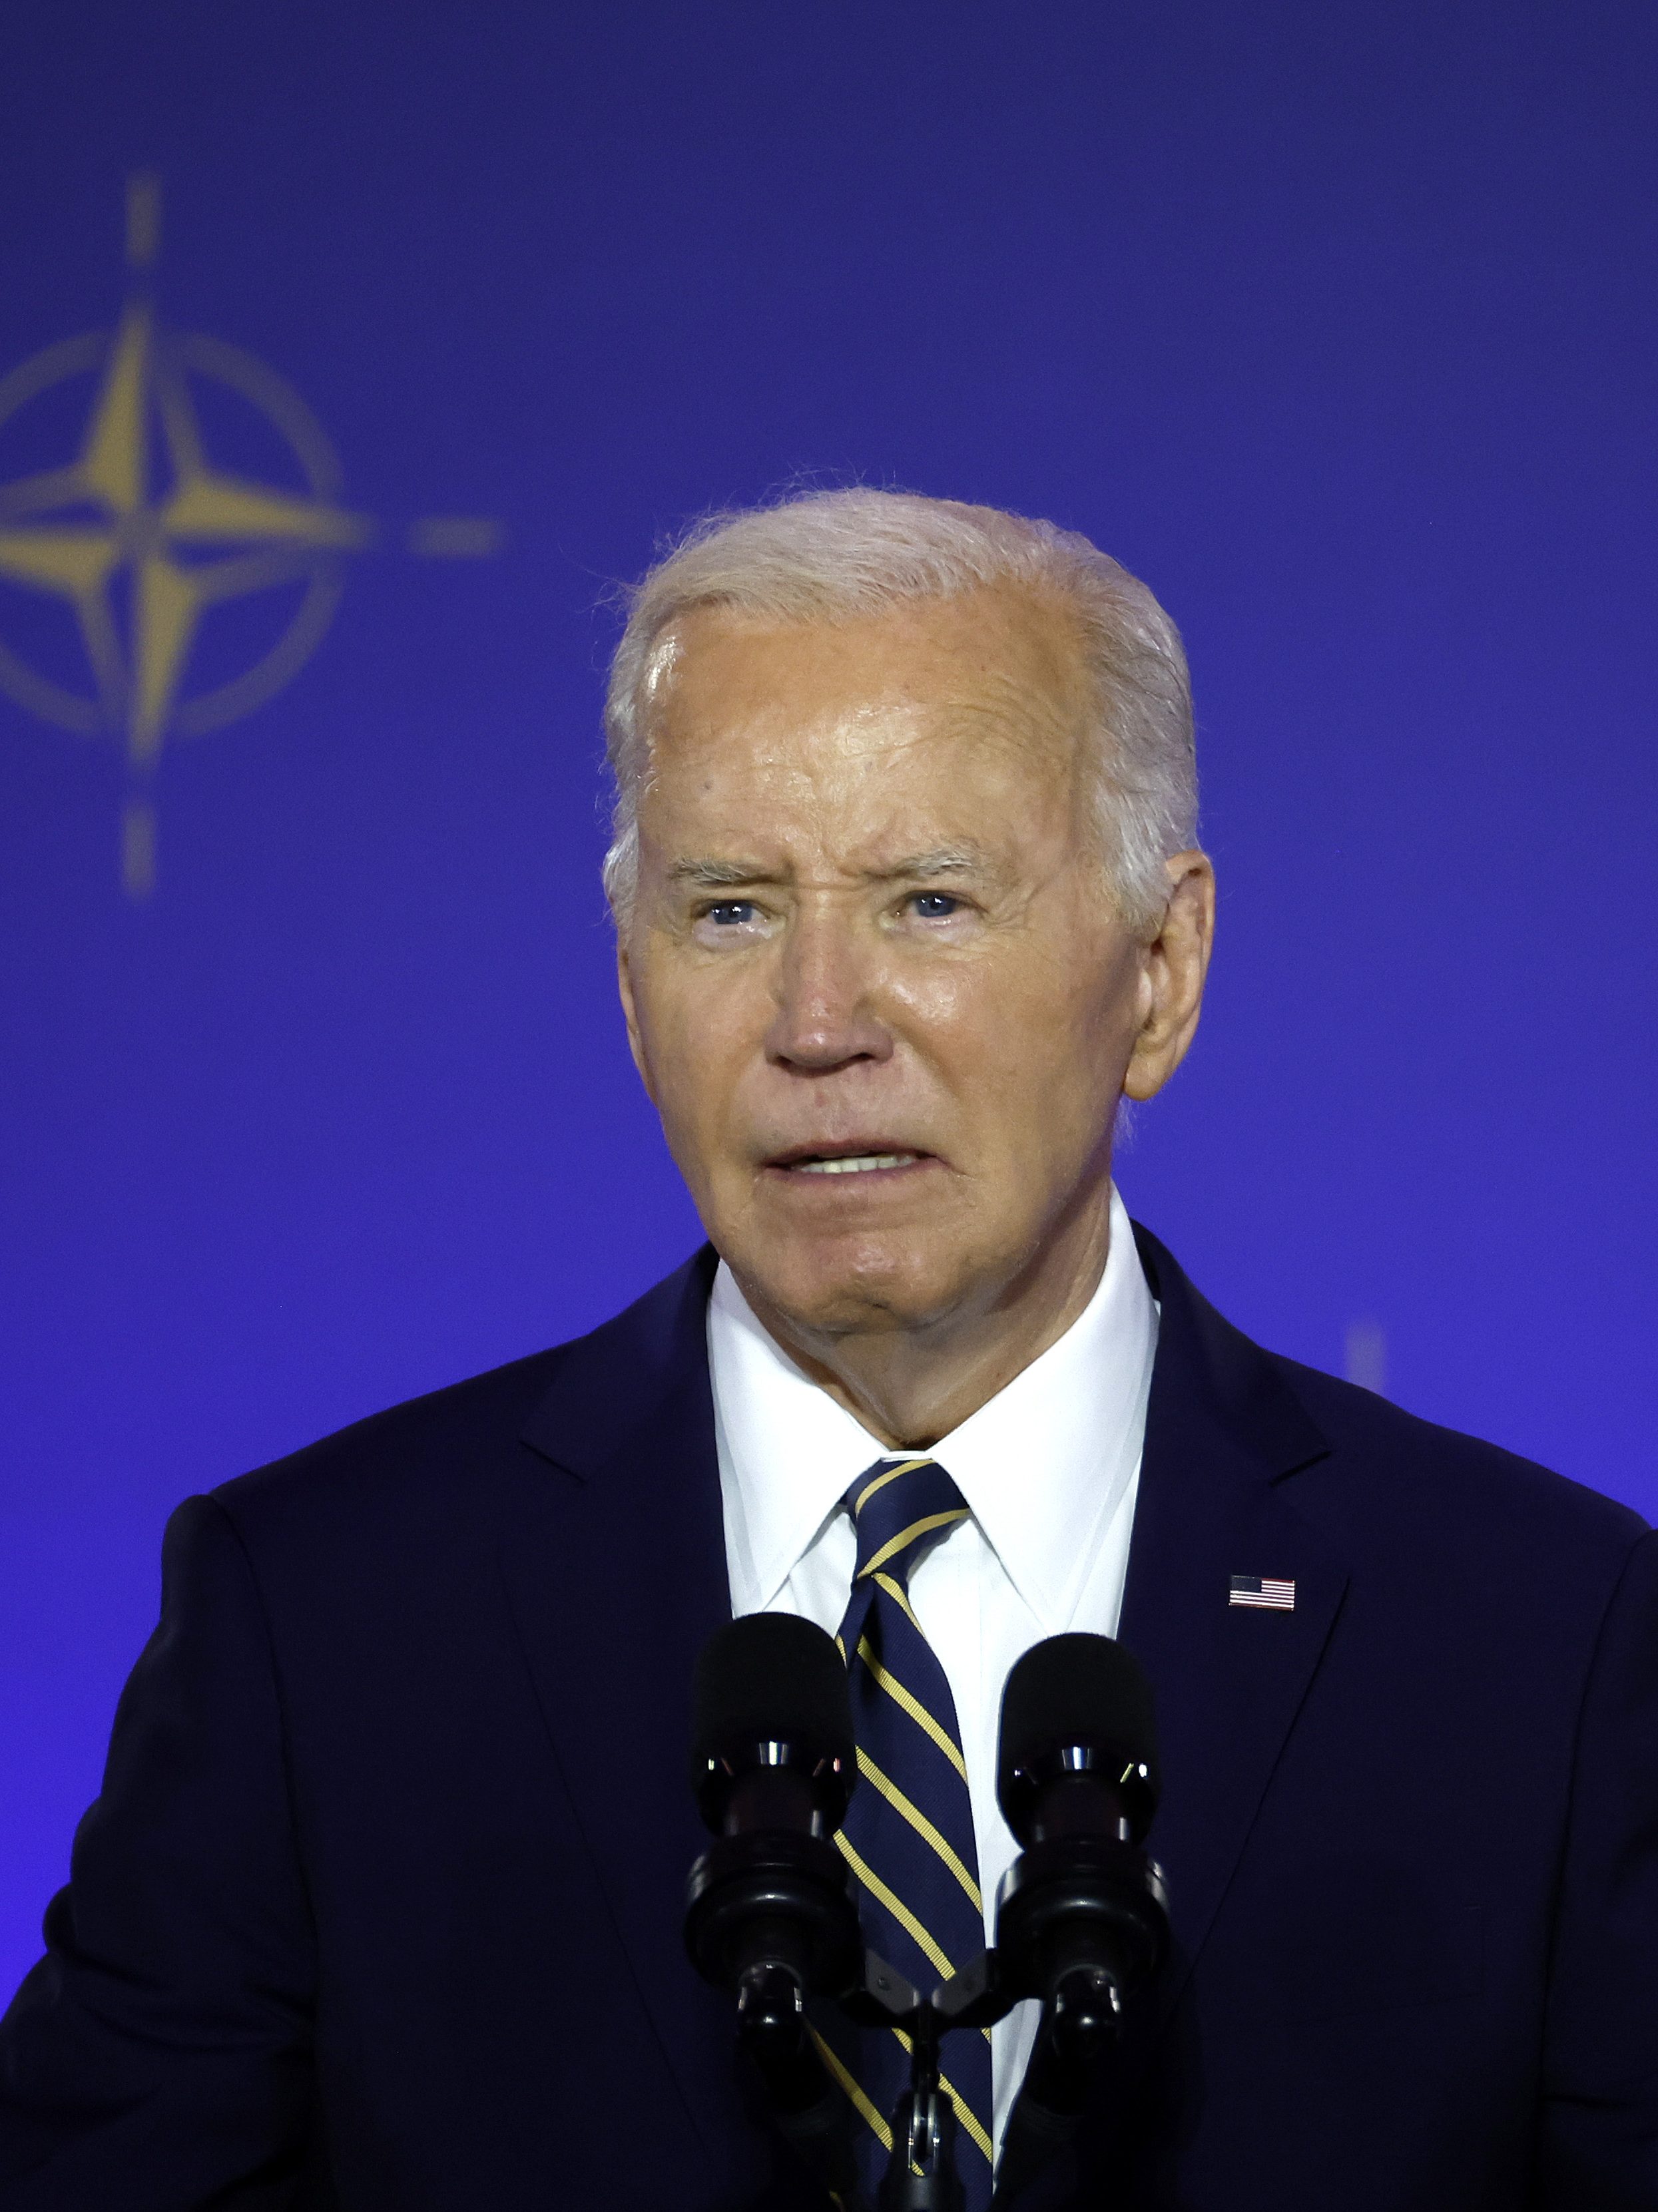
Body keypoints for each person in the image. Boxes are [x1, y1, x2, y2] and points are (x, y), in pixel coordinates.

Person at [1, 489, 1653, 2212]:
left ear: (1158, 970)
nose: (814, 1023)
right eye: (728, 910)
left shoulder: (1536, 1641)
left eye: (927, 902)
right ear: (631, 990)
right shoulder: (322, 1617)